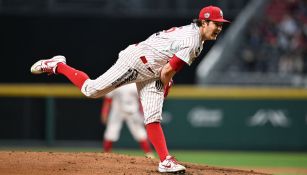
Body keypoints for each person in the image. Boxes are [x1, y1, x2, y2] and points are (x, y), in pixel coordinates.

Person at [30, 5, 229, 173]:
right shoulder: (193, 41)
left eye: (221, 25)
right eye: (216, 24)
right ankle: (57, 65)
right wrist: (167, 83)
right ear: (204, 22)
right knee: (90, 90)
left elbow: (167, 68)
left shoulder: (196, 38)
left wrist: (166, 81)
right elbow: (168, 71)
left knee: (153, 117)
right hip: (136, 62)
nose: (219, 28)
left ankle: (165, 160)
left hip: (153, 69)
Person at [101, 83, 155, 158]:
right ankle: (105, 154)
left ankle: (149, 154)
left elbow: (141, 100)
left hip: (132, 111)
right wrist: (105, 113)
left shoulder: (135, 83)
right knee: (111, 133)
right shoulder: (115, 82)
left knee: (140, 133)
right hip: (117, 111)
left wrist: (143, 114)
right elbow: (108, 99)